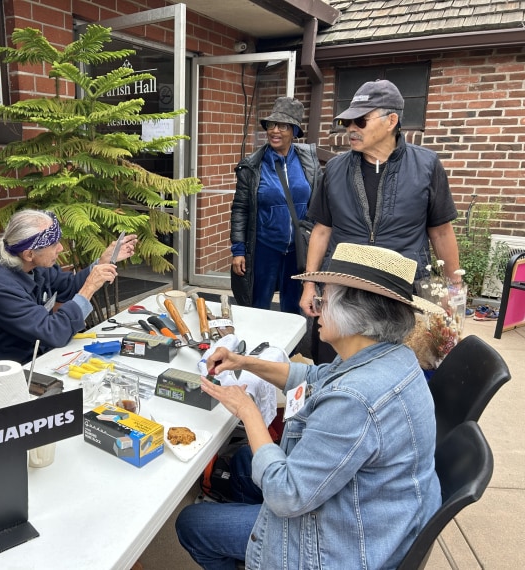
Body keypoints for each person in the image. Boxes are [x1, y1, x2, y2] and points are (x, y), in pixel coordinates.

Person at [176, 243, 443, 570]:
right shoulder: (392, 357)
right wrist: (244, 361)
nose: (313, 309)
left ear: (355, 316)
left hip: (346, 546)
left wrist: (247, 410)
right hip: (378, 514)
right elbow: (316, 377)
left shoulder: (355, 399)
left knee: (191, 523)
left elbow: (286, 494)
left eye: (323, 300)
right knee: (246, 461)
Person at [300, 79, 461, 362]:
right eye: (346, 121)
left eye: (360, 121)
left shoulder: (426, 166)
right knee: (333, 365)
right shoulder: (335, 168)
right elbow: (322, 230)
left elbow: (441, 232)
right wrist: (310, 285)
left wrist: (452, 288)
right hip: (344, 289)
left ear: (392, 121)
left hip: (401, 293)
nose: (350, 128)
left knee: (396, 367)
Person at [0, 209, 137, 364]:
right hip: (14, 368)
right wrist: (88, 288)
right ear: (29, 254)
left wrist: (102, 262)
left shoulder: (34, 264)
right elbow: (53, 332)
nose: (61, 248)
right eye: (54, 244)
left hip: (42, 353)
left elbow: (68, 287)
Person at [230, 97, 322, 311]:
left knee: (295, 308)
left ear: (294, 131)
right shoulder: (252, 166)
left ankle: (291, 345)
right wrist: (238, 250)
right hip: (264, 248)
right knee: (257, 307)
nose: (274, 130)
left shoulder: (308, 161)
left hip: (298, 250)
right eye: (271, 125)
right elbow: (240, 210)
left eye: (282, 125)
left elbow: (317, 204)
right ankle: (255, 343)